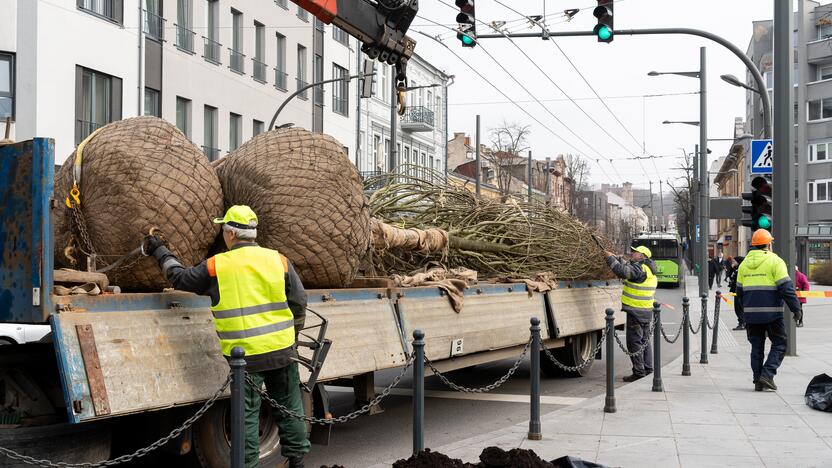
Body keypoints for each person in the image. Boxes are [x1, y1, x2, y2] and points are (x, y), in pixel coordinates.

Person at [144, 205, 310, 468]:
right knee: (290, 408)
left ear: (230, 234)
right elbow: (299, 301)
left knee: (247, 418)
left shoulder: (217, 266)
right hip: (282, 349)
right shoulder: (278, 260)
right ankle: (298, 462)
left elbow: (180, 279)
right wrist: (292, 334)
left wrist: (159, 250)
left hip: (245, 359)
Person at [736, 229, 802, 392]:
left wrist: (742, 316)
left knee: (756, 346)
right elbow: (786, 289)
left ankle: (758, 380)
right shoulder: (775, 261)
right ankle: (767, 374)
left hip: (751, 315)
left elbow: (739, 294)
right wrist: (797, 309)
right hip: (772, 314)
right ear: (767, 244)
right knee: (780, 343)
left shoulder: (744, 264)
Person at [605, 246, 658, 382]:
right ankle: (648, 369)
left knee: (634, 343)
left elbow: (623, 272)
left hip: (636, 311)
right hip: (646, 310)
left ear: (642, 256)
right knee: (645, 342)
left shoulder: (639, 269)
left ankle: (639, 372)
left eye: (635, 252)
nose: (632, 253)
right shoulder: (648, 268)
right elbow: (628, 267)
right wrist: (618, 259)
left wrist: (610, 258)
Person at [728, 256, 745, 330]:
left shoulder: (740, 270)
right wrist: (732, 268)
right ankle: (742, 323)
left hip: (739, 291)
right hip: (735, 290)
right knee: (737, 308)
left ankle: (742, 323)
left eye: (734, 261)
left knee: (739, 308)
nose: (733, 263)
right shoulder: (736, 269)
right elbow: (729, 275)